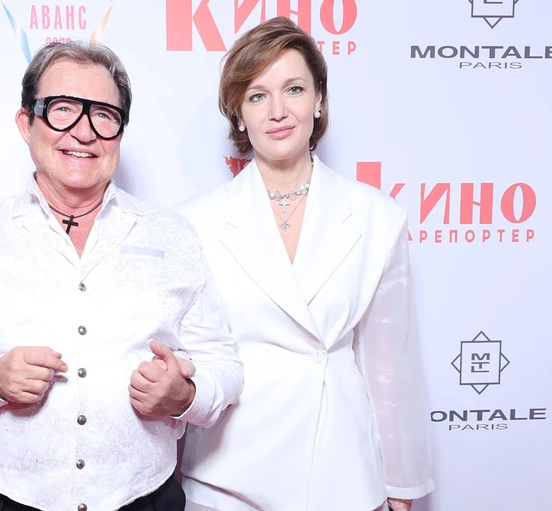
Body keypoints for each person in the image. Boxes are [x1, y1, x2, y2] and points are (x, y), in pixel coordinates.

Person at [0, 41, 243, 511]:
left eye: (103, 114)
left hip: (146, 497)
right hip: (9, 499)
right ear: (27, 123)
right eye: (62, 109)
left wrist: (185, 396)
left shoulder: (174, 236)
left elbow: (224, 364)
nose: (84, 132)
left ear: (121, 131)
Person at [177, 17, 435, 511]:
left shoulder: (377, 217)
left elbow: (390, 370)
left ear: (318, 99)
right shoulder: (193, 223)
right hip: (226, 479)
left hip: (342, 477)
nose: (278, 111)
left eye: (293, 89)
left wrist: (401, 490)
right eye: (257, 95)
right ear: (238, 114)